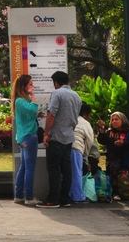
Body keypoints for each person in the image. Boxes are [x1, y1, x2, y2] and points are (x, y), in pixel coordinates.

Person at [38, 70, 81, 209]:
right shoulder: (76, 96)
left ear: (56, 82)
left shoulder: (57, 93)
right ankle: (65, 198)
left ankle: (53, 199)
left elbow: (51, 115)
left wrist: (46, 133)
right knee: (66, 169)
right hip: (69, 137)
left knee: (54, 169)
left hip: (56, 137)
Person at [100, 111, 129, 202]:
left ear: (123, 120)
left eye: (117, 119)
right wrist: (102, 130)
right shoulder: (110, 132)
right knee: (114, 166)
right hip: (115, 158)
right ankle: (116, 193)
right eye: (112, 120)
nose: (114, 121)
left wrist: (124, 143)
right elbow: (102, 141)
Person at [12, 74, 38, 206]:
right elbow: (32, 110)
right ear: (23, 86)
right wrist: (34, 100)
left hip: (23, 137)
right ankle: (28, 196)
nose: (32, 86)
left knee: (23, 167)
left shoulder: (20, 101)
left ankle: (19, 195)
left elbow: (30, 115)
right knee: (29, 168)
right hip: (29, 137)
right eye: (30, 84)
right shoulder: (21, 101)